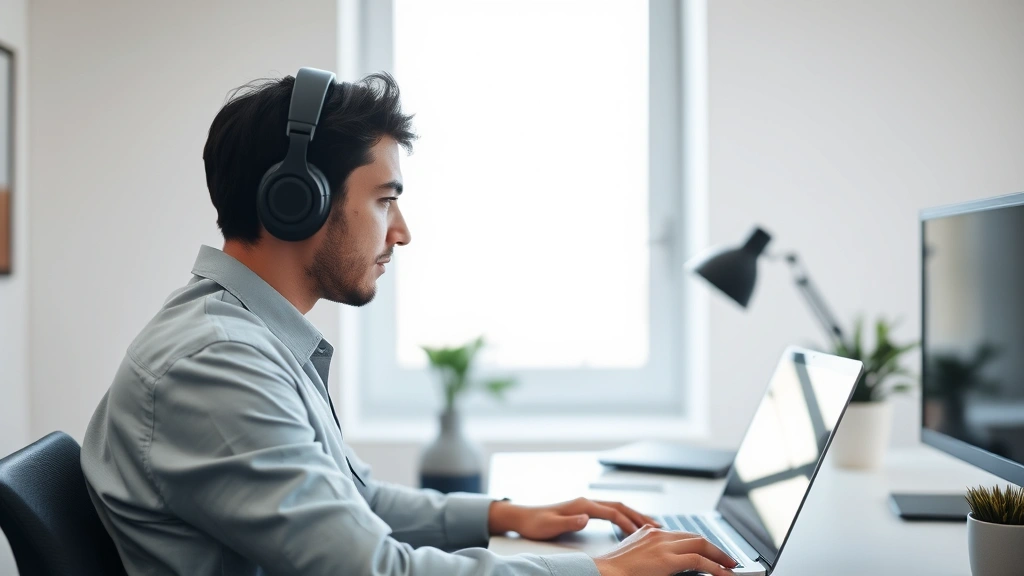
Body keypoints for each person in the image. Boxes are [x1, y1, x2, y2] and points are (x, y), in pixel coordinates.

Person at [80, 68, 737, 576]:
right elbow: (372, 568)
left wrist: (506, 515)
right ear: (295, 201)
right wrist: (599, 568)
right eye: (385, 199)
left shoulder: (247, 337)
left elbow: (356, 499)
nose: (402, 231)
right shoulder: (214, 363)